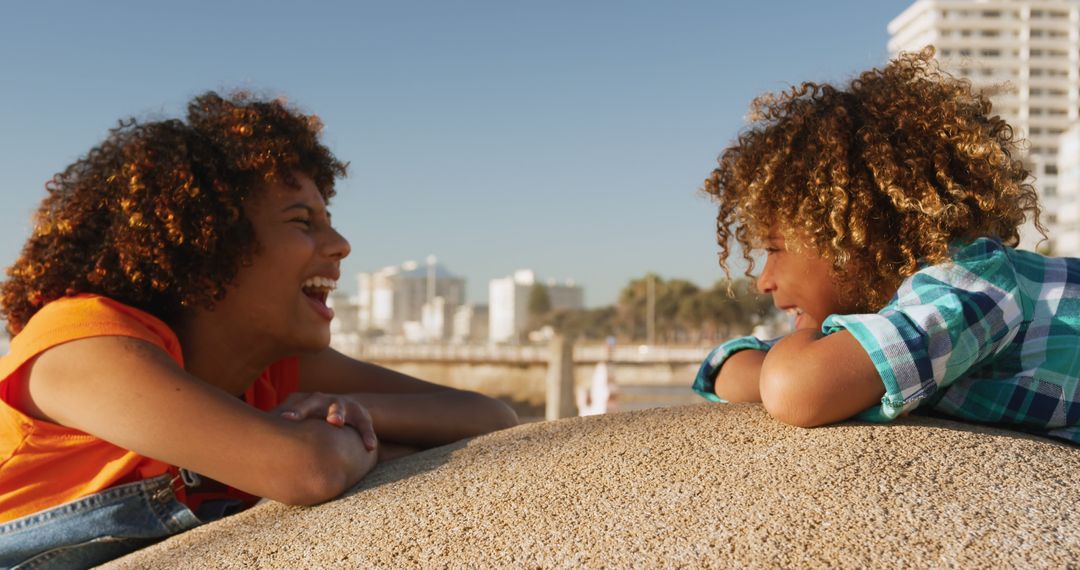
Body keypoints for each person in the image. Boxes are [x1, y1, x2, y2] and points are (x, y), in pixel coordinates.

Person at [0, 92, 518, 568]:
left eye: (328, 218)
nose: (340, 244)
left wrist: (358, 414)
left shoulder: (271, 366)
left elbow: (490, 414)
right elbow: (304, 468)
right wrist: (370, 444)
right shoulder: (81, 343)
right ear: (207, 247)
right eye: (302, 221)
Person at [692, 48, 1079, 445]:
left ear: (855, 237)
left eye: (774, 250)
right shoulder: (893, 315)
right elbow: (724, 369)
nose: (763, 281)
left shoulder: (971, 282)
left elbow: (797, 388)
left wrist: (806, 372)